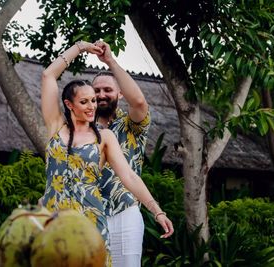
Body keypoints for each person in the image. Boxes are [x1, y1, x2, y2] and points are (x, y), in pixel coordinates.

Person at [39, 40, 173, 265]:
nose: (94, 102)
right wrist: (79, 47)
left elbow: (129, 176)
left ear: (119, 94)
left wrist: (156, 210)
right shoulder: (57, 127)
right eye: (87, 99)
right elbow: (47, 76)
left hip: (106, 214)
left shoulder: (112, 133)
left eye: (98, 97)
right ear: (70, 105)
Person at [91, 41, 150, 267]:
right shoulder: (82, 131)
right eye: (96, 91)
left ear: (119, 94)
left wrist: (110, 61)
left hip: (125, 212)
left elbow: (140, 102)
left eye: (108, 90)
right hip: (90, 213)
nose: (102, 94)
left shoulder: (131, 126)